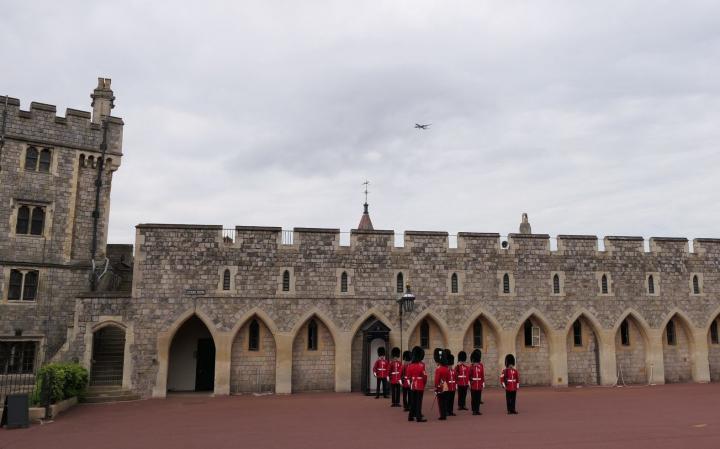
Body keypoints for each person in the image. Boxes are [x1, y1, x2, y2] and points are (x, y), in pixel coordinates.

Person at [407, 346, 428, 422]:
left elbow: (408, 377)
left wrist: (410, 384)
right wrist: (424, 384)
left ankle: (410, 416)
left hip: (413, 385)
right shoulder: (421, 366)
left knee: (413, 401)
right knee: (419, 402)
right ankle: (418, 417)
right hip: (419, 385)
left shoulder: (409, 366)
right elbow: (425, 377)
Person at [433, 348, 450, 420]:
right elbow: (448, 378)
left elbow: (437, 380)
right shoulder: (446, 368)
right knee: (445, 401)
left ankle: (442, 415)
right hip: (446, 386)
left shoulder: (438, 369)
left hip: (440, 387)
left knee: (440, 402)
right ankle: (445, 414)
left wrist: (436, 388)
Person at [469, 349, 485, 415]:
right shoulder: (471, 367)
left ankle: (477, 410)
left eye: (477, 362)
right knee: (473, 398)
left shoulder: (480, 367)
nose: (476, 363)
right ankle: (474, 410)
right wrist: (470, 383)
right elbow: (469, 376)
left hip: (479, 384)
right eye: (475, 362)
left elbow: (482, 375)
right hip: (473, 384)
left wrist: (483, 382)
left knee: (478, 398)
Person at [446, 352, 457, 416]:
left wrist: (456, 385)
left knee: (452, 400)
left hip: (453, 387)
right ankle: (447, 411)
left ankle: (451, 411)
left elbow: (455, 379)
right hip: (448, 387)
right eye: (449, 365)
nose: (450, 366)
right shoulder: (446, 371)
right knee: (447, 400)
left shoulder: (454, 371)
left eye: (451, 365)